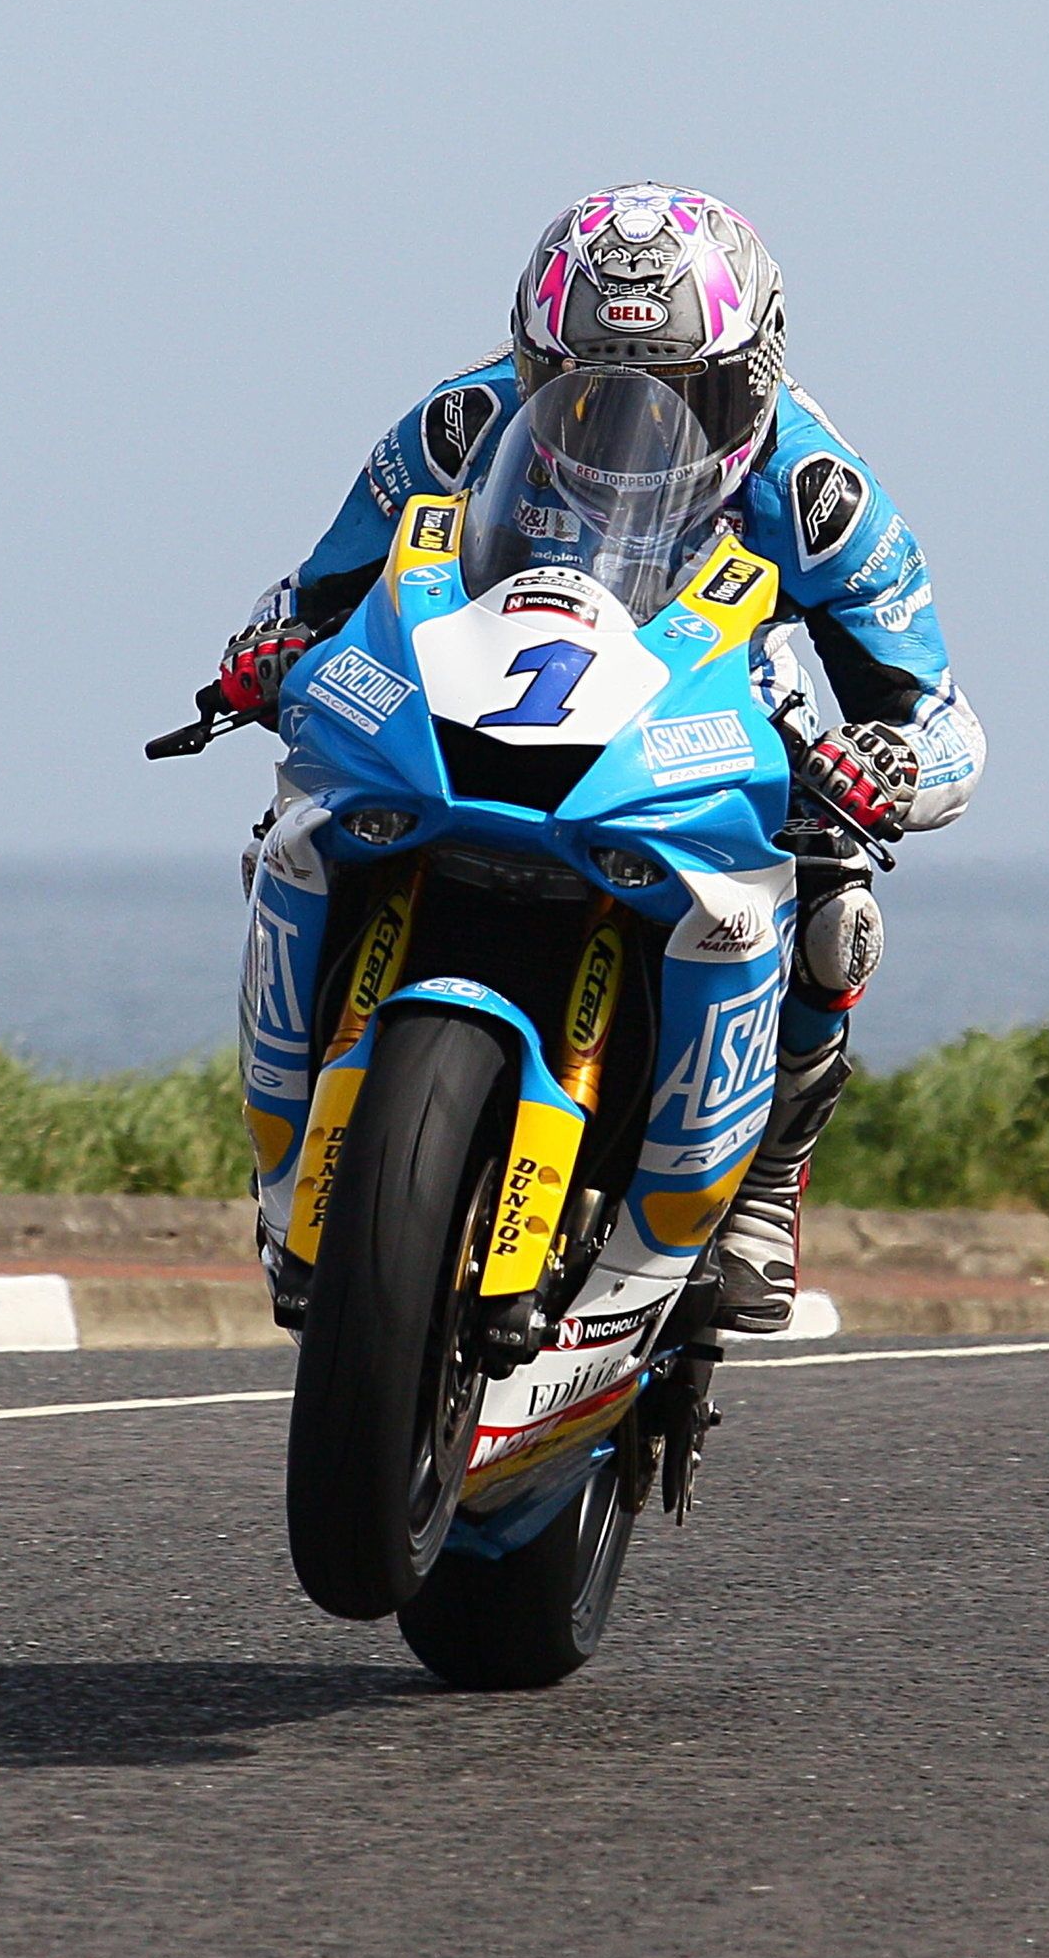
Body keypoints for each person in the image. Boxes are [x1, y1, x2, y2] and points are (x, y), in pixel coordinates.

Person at [213, 183, 984, 1333]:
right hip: (490, 683)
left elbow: (941, 712)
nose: (633, 435)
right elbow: (317, 587)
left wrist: (893, 760)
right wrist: (269, 650)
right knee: (301, 810)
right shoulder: (455, 425)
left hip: (711, 719)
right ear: (531, 366)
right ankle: (307, 1145)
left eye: (690, 396)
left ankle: (765, 1184)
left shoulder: (819, 493)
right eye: (583, 395)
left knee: (834, 897)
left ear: (757, 376)